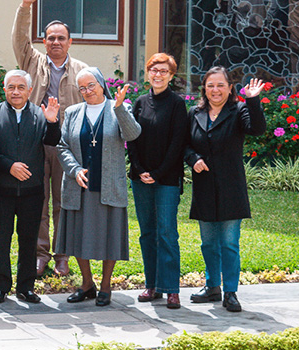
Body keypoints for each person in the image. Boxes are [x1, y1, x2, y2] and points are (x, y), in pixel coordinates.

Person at [15, 0, 91, 277]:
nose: (56, 42)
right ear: (44, 42)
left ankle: (62, 255)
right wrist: (25, 8)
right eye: (51, 38)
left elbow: (95, 105)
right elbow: (19, 39)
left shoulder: (82, 70)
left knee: (64, 202)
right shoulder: (31, 62)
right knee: (38, 201)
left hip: (67, 147)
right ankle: (39, 254)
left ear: (70, 42)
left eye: (61, 38)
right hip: (36, 143)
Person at [56, 68, 140, 307]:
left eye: (91, 85)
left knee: (109, 237)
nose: (87, 92)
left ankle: (105, 285)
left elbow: (133, 134)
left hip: (108, 186)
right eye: (81, 88)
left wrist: (120, 108)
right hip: (79, 186)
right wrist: (74, 170)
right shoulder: (72, 112)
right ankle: (87, 284)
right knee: (77, 236)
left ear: (101, 84)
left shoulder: (118, 108)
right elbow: (62, 147)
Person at [185, 68, 266, 312]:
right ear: (204, 89)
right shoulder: (195, 112)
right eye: (210, 85)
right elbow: (185, 144)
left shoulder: (239, 110)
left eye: (221, 85)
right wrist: (193, 158)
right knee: (208, 243)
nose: (216, 90)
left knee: (229, 243)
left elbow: (257, 129)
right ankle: (212, 287)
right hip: (204, 186)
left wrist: (253, 100)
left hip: (231, 186)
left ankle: (230, 292)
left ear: (230, 88)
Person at [0, 70, 60, 304]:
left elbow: (52, 141)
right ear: (4, 89)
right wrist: (9, 166)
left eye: (21, 87)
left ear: (29, 91)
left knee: (29, 241)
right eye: (11, 87)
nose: (16, 92)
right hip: (0, 191)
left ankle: (26, 287)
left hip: (32, 192)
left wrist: (53, 121)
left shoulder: (39, 114)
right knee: (0, 240)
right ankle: (0, 287)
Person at [126, 53, 189, 310]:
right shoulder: (140, 103)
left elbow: (178, 143)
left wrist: (159, 173)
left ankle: (171, 289)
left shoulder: (177, 104)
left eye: (164, 71)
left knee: (167, 234)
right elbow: (132, 138)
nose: (158, 74)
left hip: (167, 180)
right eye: (154, 70)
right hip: (141, 179)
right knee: (147, 233)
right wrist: (140, 169)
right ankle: (151, 285)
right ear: (148, 73)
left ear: (171, 76)